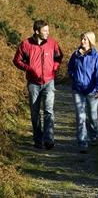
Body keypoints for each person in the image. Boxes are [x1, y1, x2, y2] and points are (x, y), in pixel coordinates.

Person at [13, 19, 63, 149]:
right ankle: (38, 139)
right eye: (45, 31)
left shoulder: (52, 43)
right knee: (35, 113)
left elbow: (59, 57)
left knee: (48, 111)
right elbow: (17, 60)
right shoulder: (26, 44)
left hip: (49, 82)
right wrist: (28, 68)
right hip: (33, 83)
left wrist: (54, 67)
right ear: (37, 31)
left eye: (48, 30)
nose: (47, 33)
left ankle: (49, 139)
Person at [67, 31, 98, 153]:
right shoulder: (76, 54)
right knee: (80, 116)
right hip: (78, 90)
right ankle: (82, 141)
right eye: (81, 39)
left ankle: (94, 137)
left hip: (93, 91)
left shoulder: (96, 56)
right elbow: (70, 68)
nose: (82, 41)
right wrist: (74, 77)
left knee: (93, 116)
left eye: (85, 39)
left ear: (90, 41)